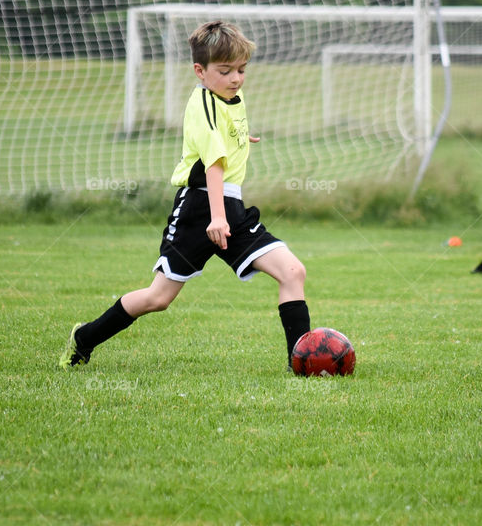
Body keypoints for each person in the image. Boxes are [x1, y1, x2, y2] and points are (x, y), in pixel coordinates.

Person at [60, 21, 311, 370]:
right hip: (200, 209)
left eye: (241, 69)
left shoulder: (228, 97)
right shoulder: (204, 104)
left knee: (292, 272)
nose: (236, 78)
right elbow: (213, 163)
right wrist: (217, 217)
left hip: (231, 207)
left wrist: (241, 139)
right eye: (225, 71)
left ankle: (302, 363)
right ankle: (84, 337)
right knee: (158, 298)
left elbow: (222, 138)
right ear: (200, 71)